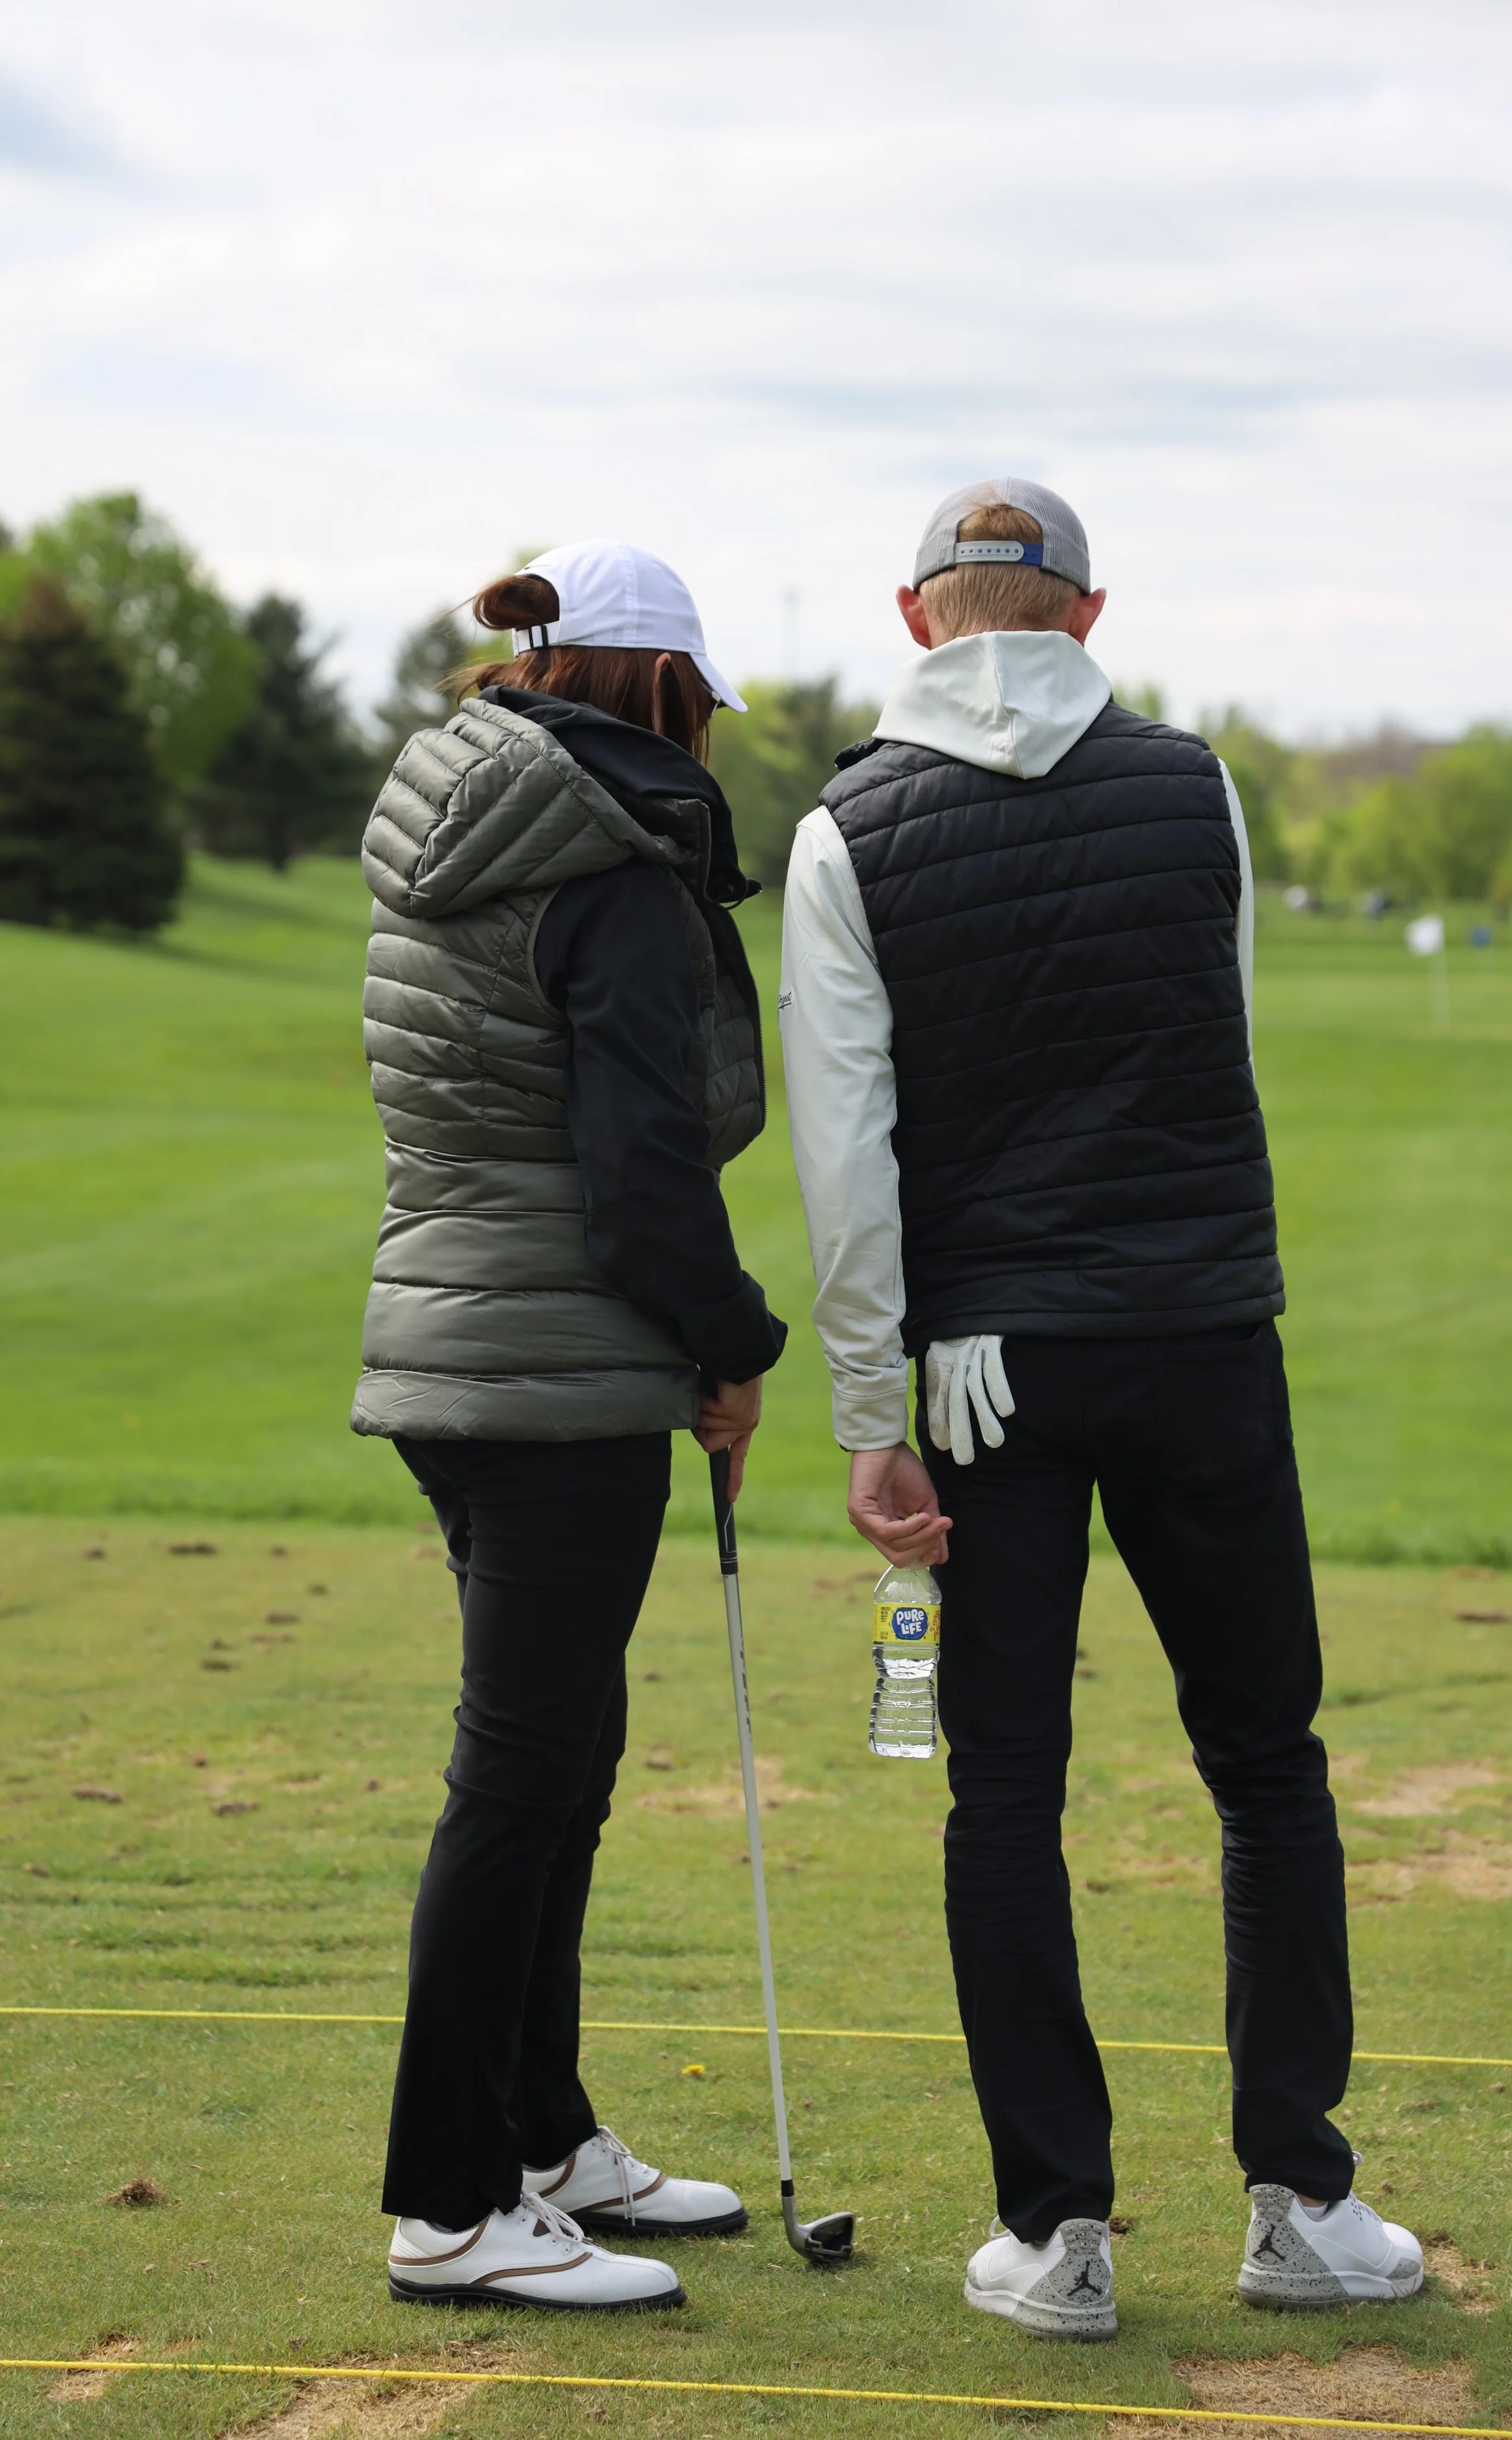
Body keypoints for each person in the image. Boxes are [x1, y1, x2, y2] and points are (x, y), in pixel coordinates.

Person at [779, 480, 1423, 2340]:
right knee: (1263, 1759)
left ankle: (1056, 2231)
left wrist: (862, 1408)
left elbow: (851, 1154)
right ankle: (1298, 2191)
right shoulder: (1192, 781)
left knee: (1006, 1788)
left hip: (990, 1372)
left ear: (916, 624)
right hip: (1203, 1329)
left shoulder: (843, 829)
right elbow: (1212, 1036)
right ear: (1084, 614)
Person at [352, 539, 787, 2312]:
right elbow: (637, 1175)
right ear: (663, 689)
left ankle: (545, 2136)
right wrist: (734, 1340)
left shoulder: (461, 816)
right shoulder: (604, 862)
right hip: (554, 1365)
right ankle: (453, 2202)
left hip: (454, 1351)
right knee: (520, 1779)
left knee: (557, 1765)